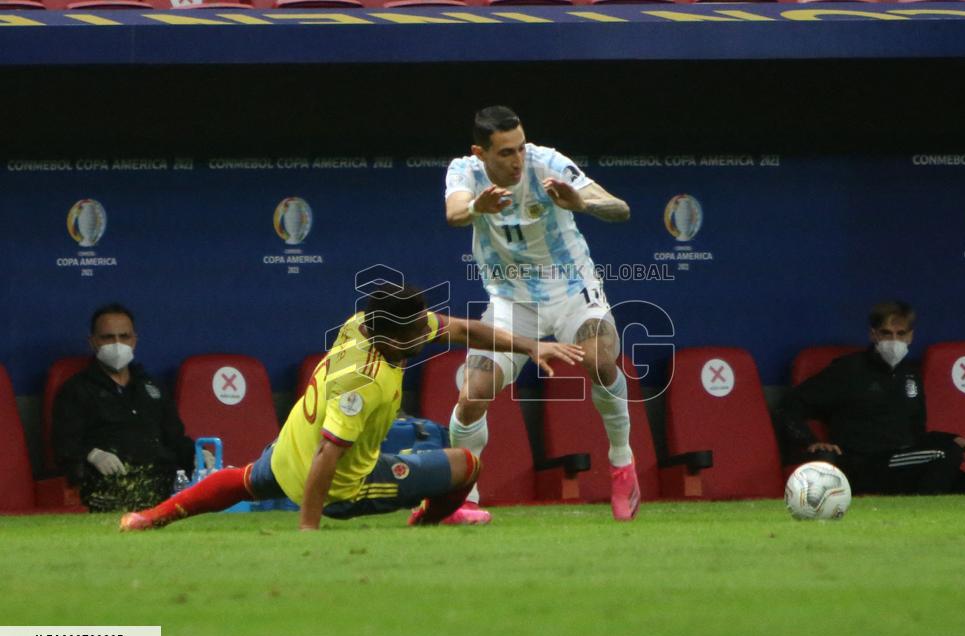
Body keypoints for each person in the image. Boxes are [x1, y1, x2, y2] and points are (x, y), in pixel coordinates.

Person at [120, 286, 584, 531]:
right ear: (387, 338)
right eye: (414, 336)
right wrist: (308, 527)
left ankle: (150, 517)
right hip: (340, 487)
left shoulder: (367, 324)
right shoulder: (365, 381)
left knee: (244, 480)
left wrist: (531, 345)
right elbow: (328, 455)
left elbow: (463, 330)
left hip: (286, 455)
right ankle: (427, 518)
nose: (423, 338)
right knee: (467, 464)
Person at [444, 106, 640, 521]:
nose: (518, 160)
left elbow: (620, 208)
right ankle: (463, 499)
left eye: (520, 148)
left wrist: (581, 201)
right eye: (505, 153)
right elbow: (454, 213)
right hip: (511, 301)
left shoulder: (547, 163)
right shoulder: (463, 170)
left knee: (601, 360)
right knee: (473, 392)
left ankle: (622, 465)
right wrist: (479, 207)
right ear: (480, 152)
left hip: (572, 290)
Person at [774, 301, 965, 495]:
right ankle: (920, 515)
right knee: (944, 454)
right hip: (865, 464)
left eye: (901, 334)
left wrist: (950, 437)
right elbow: (789, 406)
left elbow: (916, 433)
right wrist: (811, 441)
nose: (894, 340)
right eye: (886, 333)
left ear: (911, 336)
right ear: (873, 334)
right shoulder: (848, 370)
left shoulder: (910, 375)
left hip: (904, 461)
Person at [53, 304, 204, 512]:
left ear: (134, 340)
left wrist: (198, 455)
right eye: (108, 337)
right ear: (93, 342)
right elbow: (64, 446)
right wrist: (92, 455)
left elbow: (175, 439)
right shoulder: (75, 390)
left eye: (124, 337)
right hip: (108, 492)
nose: (117, 344)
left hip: (164, 487)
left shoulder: (152, 387)